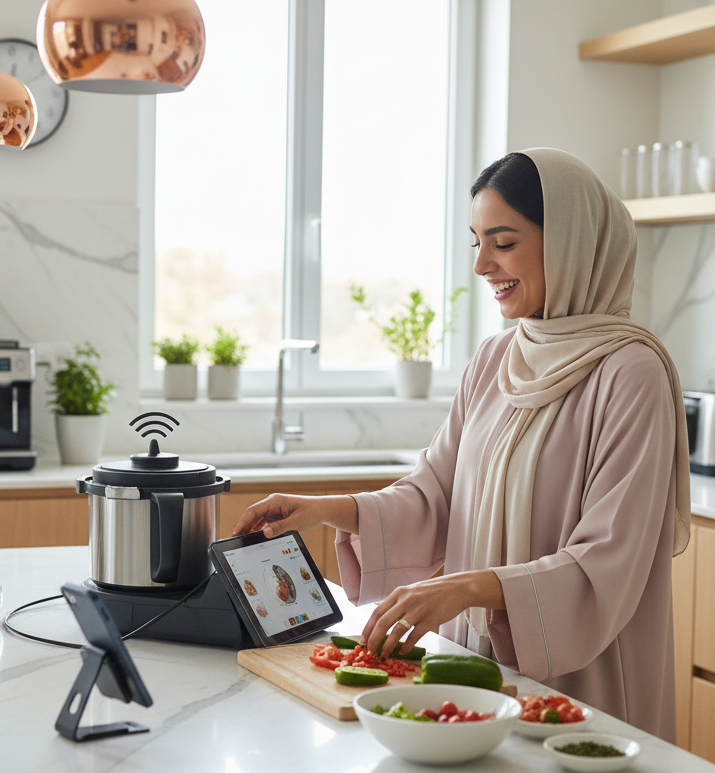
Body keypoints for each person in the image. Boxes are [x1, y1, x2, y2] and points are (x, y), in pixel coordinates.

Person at [232, 148, 691, 740]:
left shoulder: (632, 371)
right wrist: (325, 510)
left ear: (571, 243)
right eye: (475, 242)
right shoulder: (498, 358)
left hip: (585, 675)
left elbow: (609, 557)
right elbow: (436, 494)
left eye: (503, 242)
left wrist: (469, 587)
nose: (482, 266)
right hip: (478, 669)